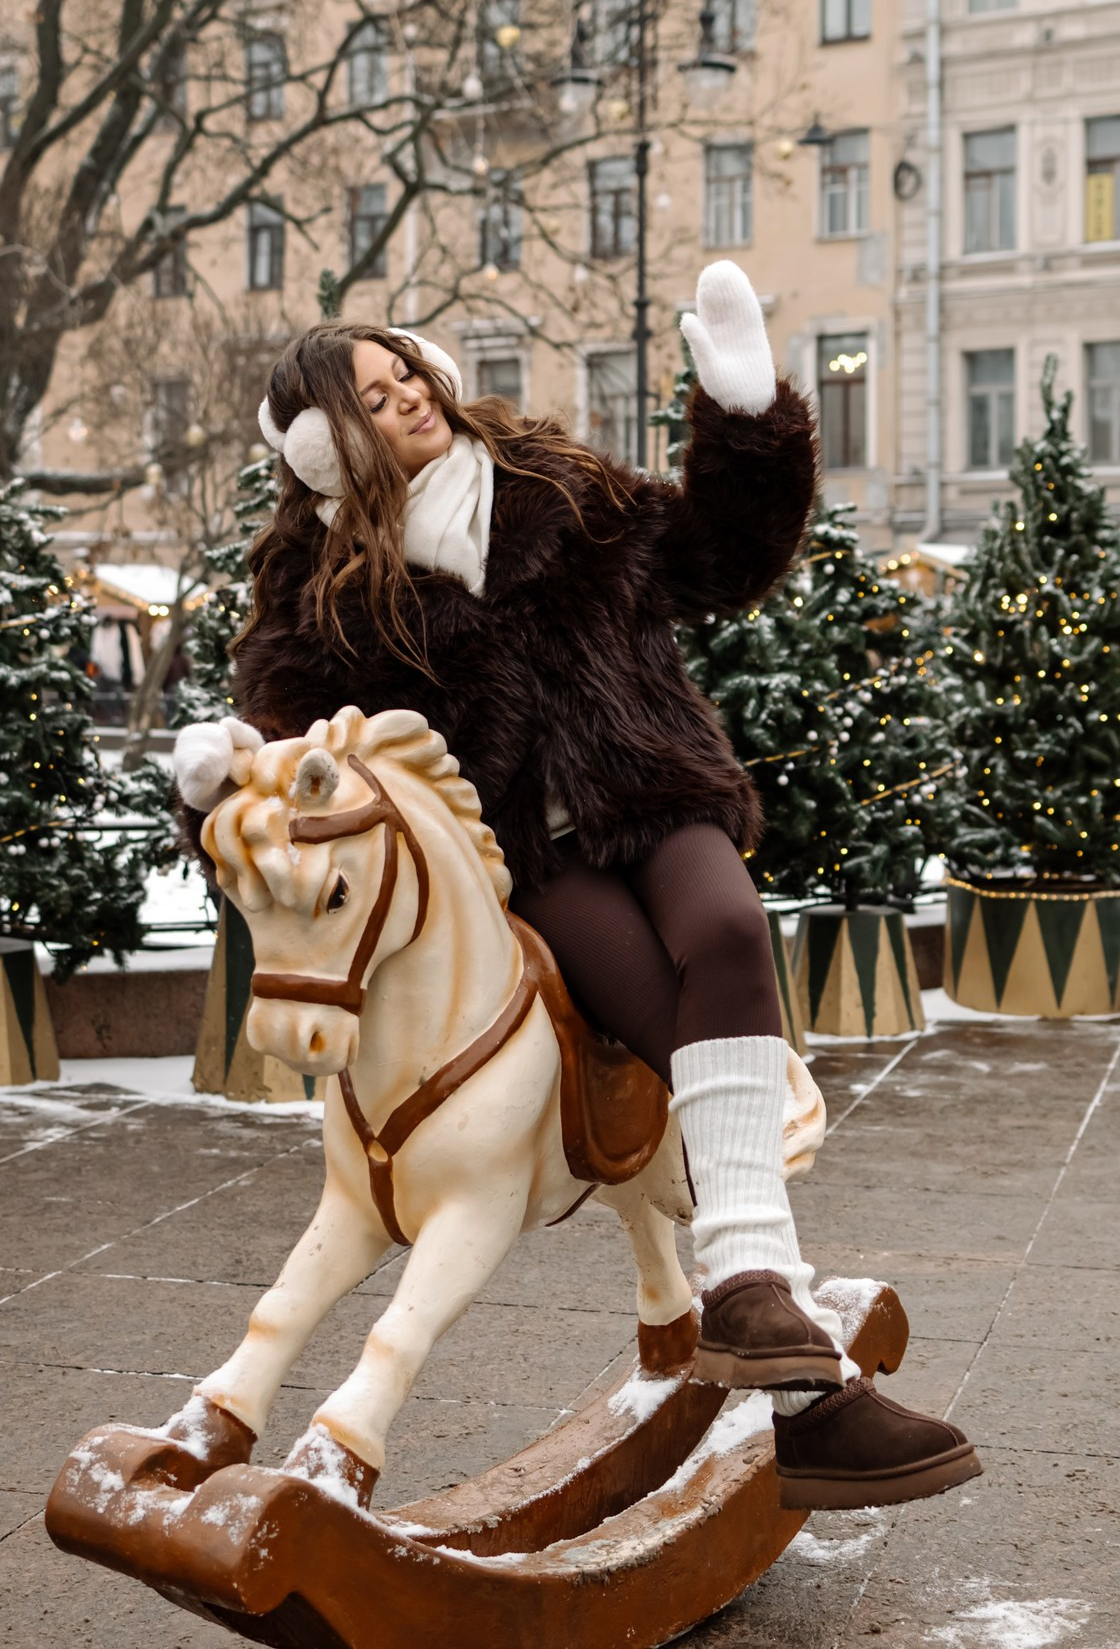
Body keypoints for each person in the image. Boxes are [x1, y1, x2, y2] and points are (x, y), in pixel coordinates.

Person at [176, 262, 980, 1511]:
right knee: (662, 1032)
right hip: (530, 864)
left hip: (648, 785)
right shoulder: (318, 595)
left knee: (723, 932)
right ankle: (803, 1379)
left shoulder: (556, 487)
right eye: (375, 403)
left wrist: (744, 408)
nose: (410, 404)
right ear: (333, 454)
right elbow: (296, 785)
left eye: (408, 377)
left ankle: (760, 1302)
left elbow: (723, 557)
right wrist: (213, 781)